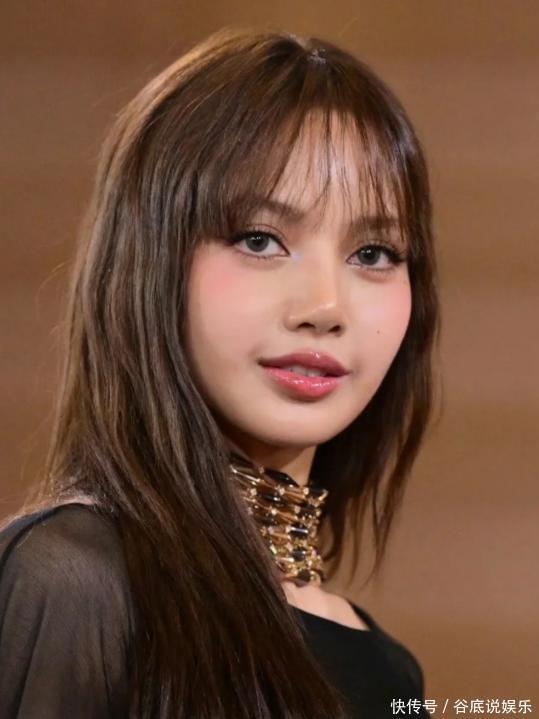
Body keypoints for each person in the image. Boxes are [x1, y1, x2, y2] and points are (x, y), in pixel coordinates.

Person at [0, 26, 440, 719]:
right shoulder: (73, 579)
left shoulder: (392, 675)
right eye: (260, 239)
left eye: (373, 253)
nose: (324, 307)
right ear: (150, 261)